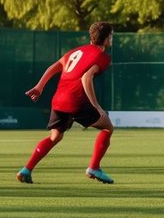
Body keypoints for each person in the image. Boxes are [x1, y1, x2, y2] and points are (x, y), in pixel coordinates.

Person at [18, 21, 117, 184]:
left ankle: (26, 169)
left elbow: (55, 66)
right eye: (111, 35)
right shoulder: (103, 57)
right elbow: (86, 77)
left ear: (91, 37)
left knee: (54, 137)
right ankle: (94, 167)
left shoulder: (75, 51)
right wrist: (96, 106)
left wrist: (39, 86)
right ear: (106, 39)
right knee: (107, 128)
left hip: (58, 100)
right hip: (76, 101)